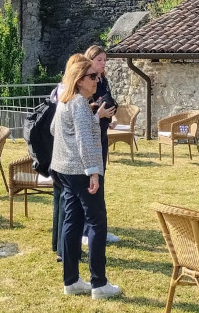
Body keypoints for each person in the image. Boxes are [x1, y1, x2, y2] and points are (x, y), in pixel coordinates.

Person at [51, 54, 121, 299]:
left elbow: (55, 130)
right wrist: (93, 172)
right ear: (79, 80)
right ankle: (99, 284)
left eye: (98, 76)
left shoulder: (64, 100)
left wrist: (93, 118)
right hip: (81, 171)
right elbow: (83, 140)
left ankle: (71, 281)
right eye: (92, 76)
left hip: (64, 170)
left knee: (72, 221)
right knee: (97, 222)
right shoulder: (79, 103)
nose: (96, 80)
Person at [83, 45, 120, 244]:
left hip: (101, 133)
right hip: (88, 135)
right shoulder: (84, 81)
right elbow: (80, 110)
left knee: (100, 180)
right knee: (90, 182)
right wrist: (98, 111)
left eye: (105, 60)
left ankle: (98, 228)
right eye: (99, 60)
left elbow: (105, 101)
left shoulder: (103, 80)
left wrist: (111, 113)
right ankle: (88, 230)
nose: (103, 64)